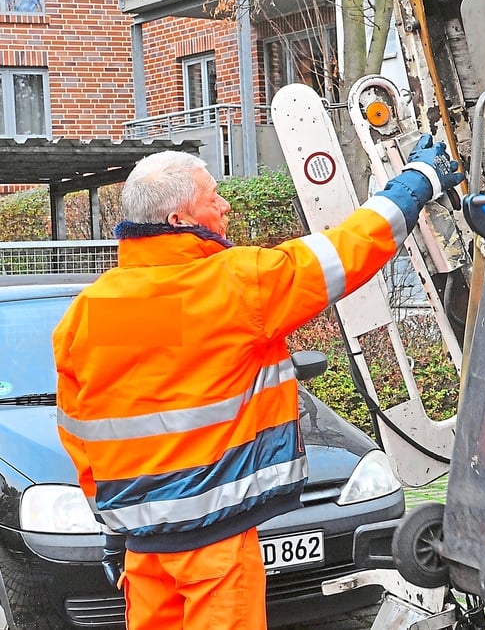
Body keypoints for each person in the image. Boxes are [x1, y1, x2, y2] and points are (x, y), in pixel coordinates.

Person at [52, 135, 463, 629]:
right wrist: (417, 183)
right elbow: (346, 250)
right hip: (214, 546)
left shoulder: (90, 314)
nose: (225, 206)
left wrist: (114, 528)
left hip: (144, 551)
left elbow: (80, 436)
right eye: (213, 198)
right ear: (179, 219)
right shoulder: (231, 286)